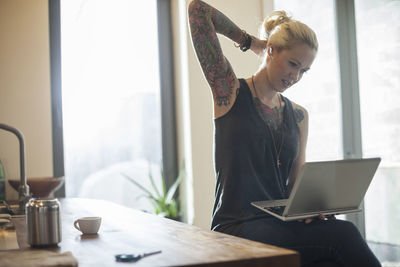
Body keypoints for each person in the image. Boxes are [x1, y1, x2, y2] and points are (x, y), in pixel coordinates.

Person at [188, 1, 381, 266]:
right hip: (236, 226)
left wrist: (312, 208)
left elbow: (295, 183)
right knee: (344, 235)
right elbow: (198, 10)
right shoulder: (229, 92)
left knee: (329, 258)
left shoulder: (300, 116)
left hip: (280, 225)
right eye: (292, 64)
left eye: (304, 71)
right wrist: (251, 42)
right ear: (271, 51)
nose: (296, 76)